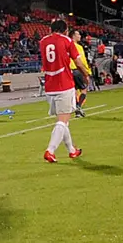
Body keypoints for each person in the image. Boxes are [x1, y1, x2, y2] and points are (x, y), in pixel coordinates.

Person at [40, 19, 88, 163]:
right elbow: (78, 62)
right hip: (64, 84)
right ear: (65, 30)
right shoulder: (67, 41)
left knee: (63, 121)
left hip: (49, 85)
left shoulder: (43, 41)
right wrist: (86, 74)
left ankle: (72, 150)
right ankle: (50, 150)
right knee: (62, 121)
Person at [69, 29, 92, 118]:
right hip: (77, 70)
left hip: (69, 71)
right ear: (73, 36)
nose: (80, 36)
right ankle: (78, 107)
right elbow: (81, 61)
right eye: (78, 34)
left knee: (74, 91)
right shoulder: (78, 47)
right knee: (84, 89)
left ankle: (77, 111)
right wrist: (87, 72)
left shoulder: (67, 45)